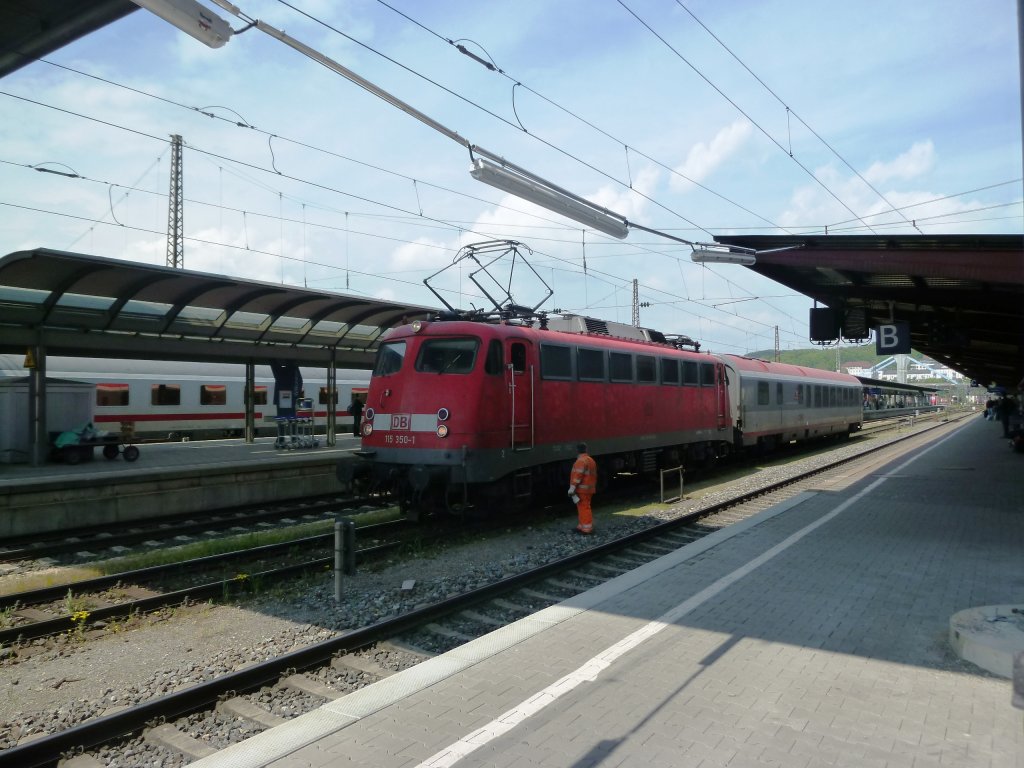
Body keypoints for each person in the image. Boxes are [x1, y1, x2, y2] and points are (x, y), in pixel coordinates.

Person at [568, 442, 597, 534]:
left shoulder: (581, 461)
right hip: (589, 489)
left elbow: (577, 476)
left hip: (582, 489)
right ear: (586, 449)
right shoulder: (590, 460)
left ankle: (586, 528)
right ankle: (581, 526)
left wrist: (572, 488)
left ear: (577, 450)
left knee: (584, 508)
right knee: (583, 507)